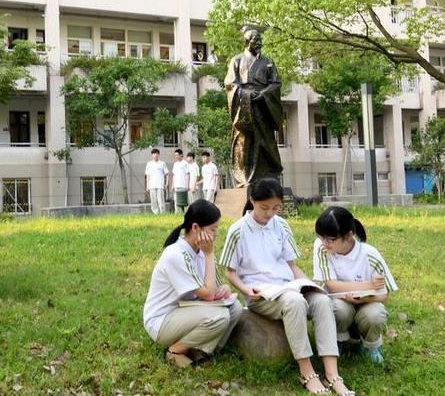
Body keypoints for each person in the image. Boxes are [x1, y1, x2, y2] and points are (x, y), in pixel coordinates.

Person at [220, 179, 354, 396]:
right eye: (265, 208)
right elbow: (229, 272)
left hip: (288, 286)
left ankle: (332, 372)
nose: (270, 213)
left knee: (320, 300)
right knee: (295, 302)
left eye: (275, 208)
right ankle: (307, 371)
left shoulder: (281, 225)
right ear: (252, 200)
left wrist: (309, 284)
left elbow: (291, 266)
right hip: (261, 295)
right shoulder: (238, 230)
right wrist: (246, 291)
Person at [143, 199, 242, 368]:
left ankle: (203, 351)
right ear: (196, 227)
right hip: (163, 320)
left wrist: (224, 290)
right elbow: (208, 294)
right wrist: (210, 255)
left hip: (187, 311)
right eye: (213, 229)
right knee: (219, 317)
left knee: (235, 308)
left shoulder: (201, 251)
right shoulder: (176, 254)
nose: (216, 233)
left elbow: (214, 289)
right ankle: (174, 350)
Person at [313, 206, 398, 364]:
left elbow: (384, 293)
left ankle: (370, 346)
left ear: (349, 236)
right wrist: (367, 285)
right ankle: (340, 342)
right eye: (321, 237)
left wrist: (364, 299)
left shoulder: (369, 254)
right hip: (339, 302)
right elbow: (331, 285)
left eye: (331, 239)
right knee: (337, 309)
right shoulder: (322, 248)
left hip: (366, 303)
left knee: (375, 314)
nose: (325, 243)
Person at [224, 27, 284, 190]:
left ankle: (267, 176)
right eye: (255, 40)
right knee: (245, 144)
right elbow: (231, 84)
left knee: (265, 143)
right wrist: (247, 95)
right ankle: (245, 177)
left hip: (263, 107)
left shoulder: (268, 61)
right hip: (244, 109)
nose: (259, 43)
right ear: (247, 41)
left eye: (260, 40)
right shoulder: (236, 60)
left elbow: (276, 83)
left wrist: (263, 94)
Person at [145, 148, 169, 214]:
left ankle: (162, 213)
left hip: (160, 185)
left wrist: (166, 183)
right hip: (151, 185)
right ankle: (156, 213)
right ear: (151, 155)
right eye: (153, 154)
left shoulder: (162, 163)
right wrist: (147, 186)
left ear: (159, 154)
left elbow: (167, 174)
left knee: (161, 201)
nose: (155, 155)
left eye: (156, 153)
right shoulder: (149, 164)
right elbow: (148, 175)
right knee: (153, 201)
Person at [171, 149, 190, 215]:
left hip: (183, 185)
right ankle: (177, 214)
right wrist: (173, 185)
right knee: (176, 201)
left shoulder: (185, 163)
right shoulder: (175, 164)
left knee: (185, 201)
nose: (175, 156)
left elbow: (187, 174)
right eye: (175, 155)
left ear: (181, 155)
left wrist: (187, 185)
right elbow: (174, 175)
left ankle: (187, 214)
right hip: (176, 186)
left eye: (177, 155)